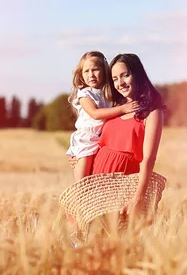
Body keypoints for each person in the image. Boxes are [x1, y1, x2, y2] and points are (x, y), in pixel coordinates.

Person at [68, 53, 166, 228]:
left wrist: (138, 196)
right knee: (90, 247)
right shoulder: (113, 106)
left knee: (120, 245)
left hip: (122, 191)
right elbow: (94, 136)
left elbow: (148, 159)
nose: (120, 83)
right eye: (114, 78)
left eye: (125, 75)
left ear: (137, 74)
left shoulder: (152, 113)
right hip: (95, 188)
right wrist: (77, 155)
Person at [66, 51, 139, 184]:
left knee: (96, 182)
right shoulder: (85, 94)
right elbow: (95, 113)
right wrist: (123, 109)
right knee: (82, 184)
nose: (91, 75)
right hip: (87, 141)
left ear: (104, 71)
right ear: (81, 75)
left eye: (95, 70)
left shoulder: (109, 92)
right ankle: (78, 203)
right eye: (86, 71)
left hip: (102, 142)